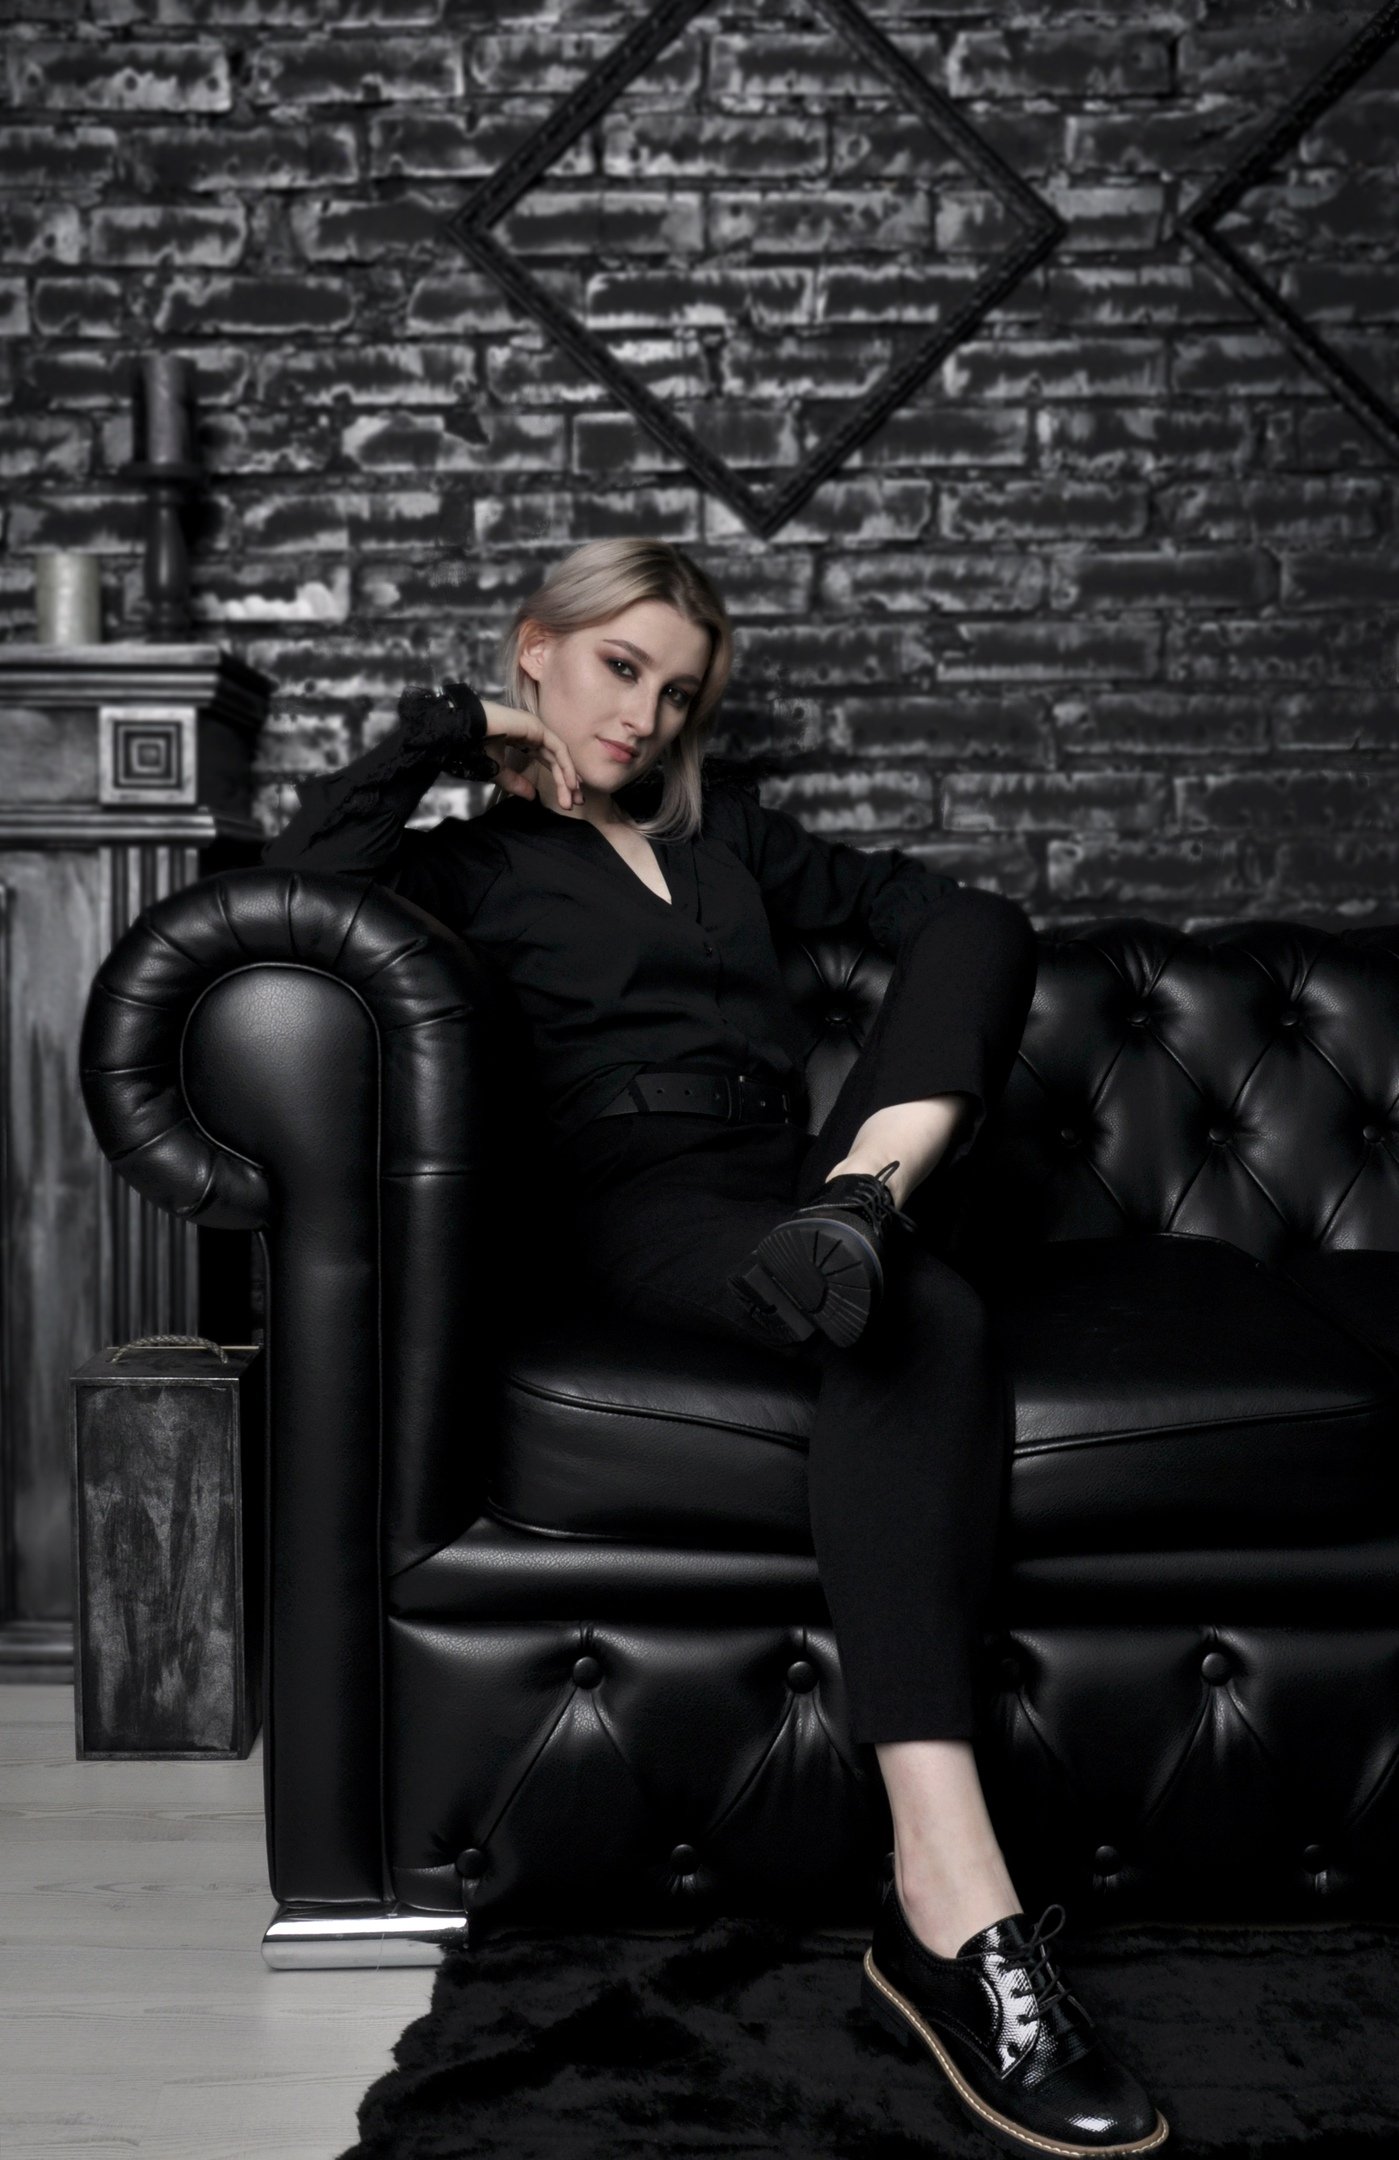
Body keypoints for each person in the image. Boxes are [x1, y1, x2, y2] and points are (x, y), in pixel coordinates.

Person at [264, 536, 1169, 2157]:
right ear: (537, 648)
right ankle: (954, 1894)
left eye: (677, 694)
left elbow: (956, 927)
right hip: (636, 1198)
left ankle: (864, 1202)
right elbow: (294, 889)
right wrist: (455, 734)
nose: (646, 716)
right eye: (619, 669)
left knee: (979, 929)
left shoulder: (729, 842)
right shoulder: (468, 866)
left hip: (808, 1176)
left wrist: (855, 1176)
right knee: (911, 1308)